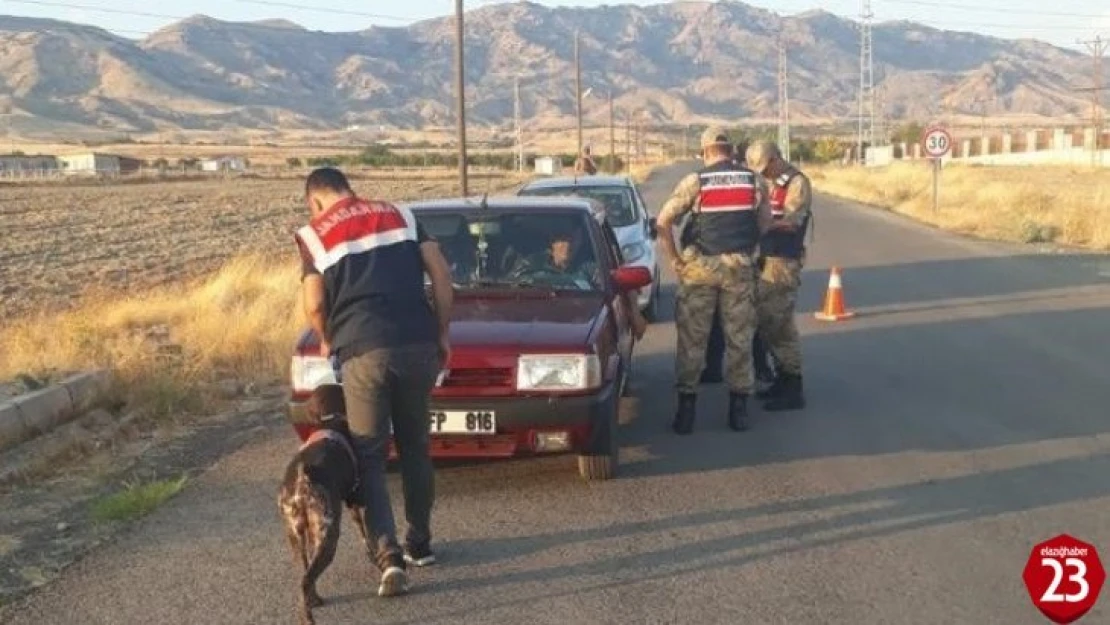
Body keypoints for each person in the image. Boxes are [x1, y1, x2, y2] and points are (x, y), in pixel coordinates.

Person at [294, 167, 454, 598]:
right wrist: (441, 332)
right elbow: (440, 274)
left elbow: (313, 303)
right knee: (417, 445)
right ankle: (420, 542)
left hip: (363, 350)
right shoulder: (400, 214)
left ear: (315, 201)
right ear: (351, 189)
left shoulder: (313, 235)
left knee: (370, 456)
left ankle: (389, 557)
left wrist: (328, 338)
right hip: (418, 343)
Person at [656, 127, 772, 434]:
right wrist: (748, 246)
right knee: (740, 337)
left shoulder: (696, 181)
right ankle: (738, 411)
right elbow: (765, 222)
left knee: (693, 338)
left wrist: (675, 259)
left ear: (706, 151)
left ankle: (686, 411)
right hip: (739, 267)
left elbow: (663, 221)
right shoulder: (753, 180)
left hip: (699, 269)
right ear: (731, 150)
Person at [745, 140, 812, 411]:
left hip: (783, 260)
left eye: (765, 167)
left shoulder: (797, 183)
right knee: (766, 323)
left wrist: (764, 224)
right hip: (764, 258)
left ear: (775, 158)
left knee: (780, 324)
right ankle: (781, 379)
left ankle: (793, 385)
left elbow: (792, 221)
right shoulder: (764, 183)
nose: (763, 174)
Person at [512, 231, 648, 339]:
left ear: (580, 241)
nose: (568, 245)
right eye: (563, 238)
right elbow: (512, 287)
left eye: (573, 239)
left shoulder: (590, 269)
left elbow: (620, 279)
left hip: (581, 322)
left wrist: (635, 314)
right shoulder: (530, 265)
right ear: (551, 242)